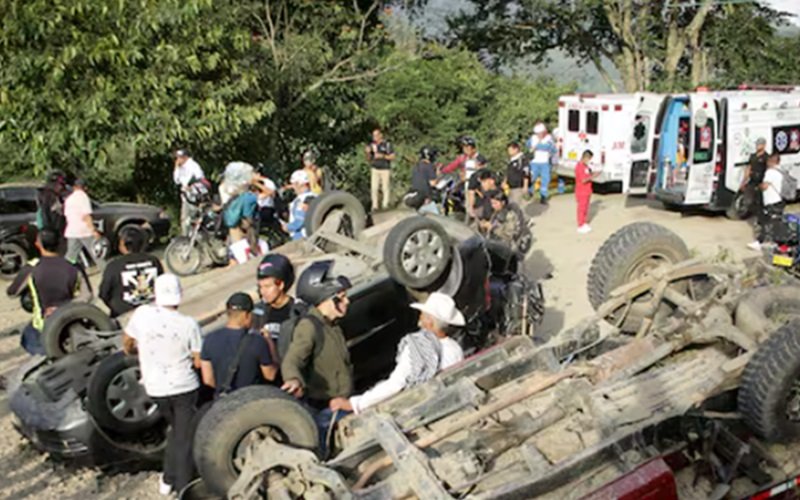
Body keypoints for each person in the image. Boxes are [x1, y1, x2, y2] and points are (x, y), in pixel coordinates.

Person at [122, 274, 202, 496]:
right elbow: (197, 359)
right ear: (180, 295)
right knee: (184, 437)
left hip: (156, 387)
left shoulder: (142, 314)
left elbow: (127, 342)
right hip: (184, 386)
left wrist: (140, 351)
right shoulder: (189, 324)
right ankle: (184, 487)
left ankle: (167, 479)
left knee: (175, 431)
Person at [329, 292, 464, 414]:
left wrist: (355, 403)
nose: (420, 317)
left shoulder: (417, 346)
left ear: (430, 321)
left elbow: (396, 384)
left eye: (423, 314)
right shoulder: (456, 350)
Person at [281, 261, 353, 444]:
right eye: (341, 297)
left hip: (342, 402)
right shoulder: (309, 326)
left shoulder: (331, 324)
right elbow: (292, 360)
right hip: (327, 409)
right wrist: (293, 379)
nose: (347, 301)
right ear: (328, 299)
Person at [6, 229, 91, 355]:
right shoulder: (74, 266)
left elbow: (12, 293)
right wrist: (64, 308)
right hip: (71, 321)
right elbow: (88, 295)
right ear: (60, 244)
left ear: (38, 244)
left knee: (26, 337)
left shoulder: (33, 268)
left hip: (43, 326)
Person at [200, 292, 278, 396]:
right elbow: (271, 375)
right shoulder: (258, 342)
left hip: (224, 403)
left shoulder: (209, 340)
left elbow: (208, 380)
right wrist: (270, 342)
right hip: (251, 401)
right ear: (247, 315)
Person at [98, 227, 163, 318]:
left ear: (122, 245)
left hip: (125, 316)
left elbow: (103, 294)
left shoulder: (114, 265)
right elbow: (163, 284)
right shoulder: (154, 261)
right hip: (154, 311)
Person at [252, 253, 295, 351]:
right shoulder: (257, 312)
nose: (263, 291)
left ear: (280, 285)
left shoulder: (297, 311)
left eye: (267, 286)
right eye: (260, 287)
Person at [441, 136, 489, 220]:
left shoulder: (480, 158)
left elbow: (484, 173)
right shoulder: (463, 158)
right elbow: (452, 166)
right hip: (468, 187)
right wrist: (442, 170)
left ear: (473, 148)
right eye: (464, 148)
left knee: (478, 208)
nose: (465, 150)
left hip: (478, 188)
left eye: (467, 147)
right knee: (468, 208)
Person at [63, 179, 104, 268]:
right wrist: (93, 230)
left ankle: (65, 271)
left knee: (71, 256)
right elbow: (86, 216)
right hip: (84, 231)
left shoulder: (69, 199)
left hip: (71, 231)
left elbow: (67, 216)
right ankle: (104, 271)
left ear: (74, 187)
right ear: (85, 188)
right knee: (96, 252)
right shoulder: (83, 197)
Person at [748, 153, 785, 251]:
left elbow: (765, 186)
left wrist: (758, 187)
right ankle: (779, 243)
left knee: (765, 222)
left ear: (771, 161)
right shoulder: (782, 170)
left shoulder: (770, 172)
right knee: (776, 222)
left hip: (771, 200)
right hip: (779, 200)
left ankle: (760, 243)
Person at [480, 190, 531, 255]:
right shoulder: (496, 213)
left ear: (503, 202)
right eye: (492, 203)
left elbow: (509, 235)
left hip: (510, 250)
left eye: (495, 203)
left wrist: (492, 228)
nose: (493, 206)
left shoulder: (510, 215)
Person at [173, 149, 206, 236]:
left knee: (191, 217)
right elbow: (177, 180)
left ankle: (191, 237)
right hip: (185, 196)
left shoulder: (193, 165)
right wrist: (176, 167)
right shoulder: (180, 167)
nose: (178, 159)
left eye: (180, 157)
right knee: (185, 218)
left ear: (185, 157)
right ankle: (186, 236)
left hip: (193, 195)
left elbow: (200, 178)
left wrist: (191, 186)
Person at [365, 128, 396, 211]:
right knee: (374, 188)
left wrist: (382, 156)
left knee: (385, 187)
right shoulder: (372, 145)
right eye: (373, 135)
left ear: (380, 135)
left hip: (385, 168)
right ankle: (375, 206)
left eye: (376, 135)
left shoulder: (387, 144)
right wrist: (367, 153)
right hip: (375, 168)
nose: (374, 137)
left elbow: (392, 156)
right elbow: (369, 159)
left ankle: (385, 205)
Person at [527, 123, 557, 204]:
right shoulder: (532, 138)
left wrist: (537, 146)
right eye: (537, 133)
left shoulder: (549, 138)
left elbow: (551, 148)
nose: (539, 135)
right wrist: (538, 146)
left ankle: (543, 196)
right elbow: (528, 145)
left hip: (545, 163)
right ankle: (530, 192)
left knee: (545, 180)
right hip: (534, 162)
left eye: (540, 133)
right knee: (532, 178)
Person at [740, 137, 769, 218]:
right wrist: (743, 182)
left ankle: (761, 218)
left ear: (764, 145)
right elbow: (748, 169)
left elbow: (768, 170)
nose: (757, 146)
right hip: (752, 181)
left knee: (760, 202)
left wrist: (765, 182)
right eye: (757, 144)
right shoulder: (753, 156)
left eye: (759, 144)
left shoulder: (766, 157)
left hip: (761, 181)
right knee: (748, 200)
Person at [406, 146, 440, 213]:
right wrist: (437, 175)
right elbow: (433, 183)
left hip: (415, 197)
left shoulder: (416, 166)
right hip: (425, 199)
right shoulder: (429, 166)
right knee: (438, 221)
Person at [284, 170, 316, 240]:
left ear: (299, 183)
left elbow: (300, 220)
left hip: (301, 237)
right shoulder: (314, 196)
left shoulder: (304, 200)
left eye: (293, 184)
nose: (292, 187)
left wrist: (287, 227)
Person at [575, 150, 601, 234]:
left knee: (586, 208)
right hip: (581, 191)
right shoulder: (580, 167)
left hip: (587, 190)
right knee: (581, 208)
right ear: (585, 157)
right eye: (589, 159)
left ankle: (584, 222)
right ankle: (580, 224)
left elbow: (588, 174)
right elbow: (583, 180)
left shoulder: (586, 166)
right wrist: (593, 176)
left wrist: (594, 173)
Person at [504, 141, 528, 206]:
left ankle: (519, 215)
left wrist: (525, 186)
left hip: (518, 186)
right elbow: (508, 172)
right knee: (510, 203)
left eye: (510, 150)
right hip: (510, 186)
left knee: (516, 204)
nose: (509, 152)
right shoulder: (511, 160)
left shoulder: (522, 159)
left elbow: (526, 173)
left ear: (516, 149)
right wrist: (504, 181)